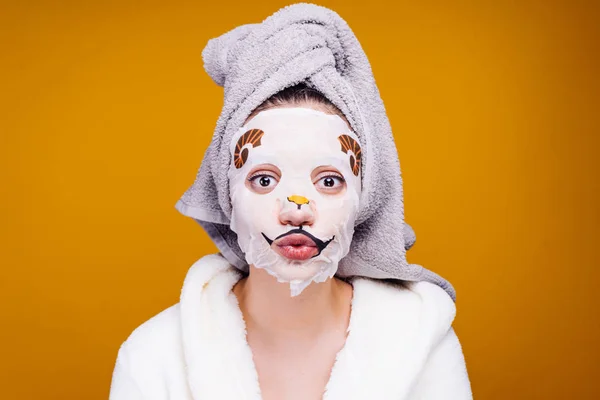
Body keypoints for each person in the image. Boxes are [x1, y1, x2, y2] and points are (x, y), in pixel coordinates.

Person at [109, 4, 472, 400]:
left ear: (363, 199)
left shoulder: (420, 342)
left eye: (329, 180)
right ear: (226, 194)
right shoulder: (152, 356)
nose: (297, 208)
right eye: (264, 179)